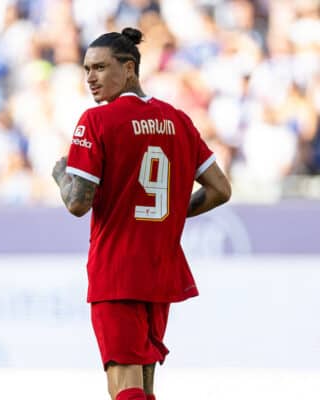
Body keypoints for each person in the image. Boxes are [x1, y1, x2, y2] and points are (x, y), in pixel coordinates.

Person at [52, 28, 231, 400]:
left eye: (100, 67)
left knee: (124, 381)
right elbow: (220, 189)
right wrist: (170, 215)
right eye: (86, 69)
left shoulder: (97, 121)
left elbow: (77, 203)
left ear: (129, 68)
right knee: (146, 383)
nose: (90, 78)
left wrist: (60, 175)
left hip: (116, 271)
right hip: (160, 270)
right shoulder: (177, 120)